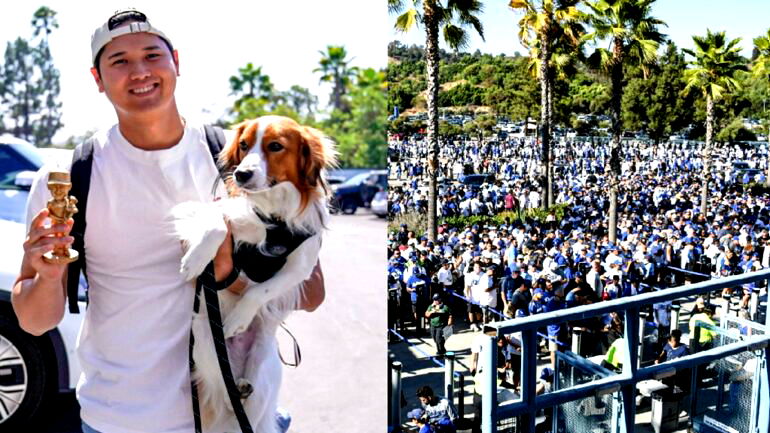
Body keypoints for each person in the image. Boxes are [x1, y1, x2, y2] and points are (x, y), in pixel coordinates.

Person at [11, 9, 324, 433]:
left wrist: (232, 275)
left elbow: (312, 292)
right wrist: (47, 277)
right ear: (98, 78)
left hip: (235, 413)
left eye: (152, 55)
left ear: (175, 61)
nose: (139, 70)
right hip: (118, 417)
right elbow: (34, 321)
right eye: (119, 60)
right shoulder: (68, 177)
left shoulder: (235, 159)